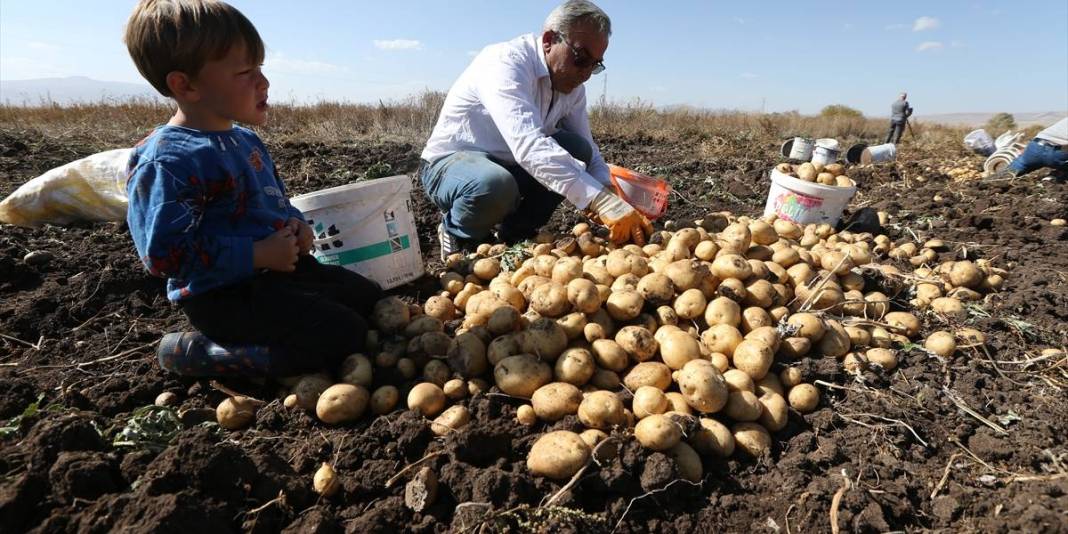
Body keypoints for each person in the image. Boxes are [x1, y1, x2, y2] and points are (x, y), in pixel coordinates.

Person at [123, 0, 382, 377]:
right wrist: (256, 254)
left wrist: (296, 226)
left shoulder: (245, 141)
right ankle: (201, 353)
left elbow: (275, 202)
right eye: (246, 72)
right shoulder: (169, 161)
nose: (264, 83)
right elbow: (165, 255)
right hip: (225, 296)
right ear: (186, 84)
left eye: (260, 68)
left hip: (279, 275)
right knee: (344, 336)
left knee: (369, 299)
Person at [420, 0, 651, 260]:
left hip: (510, 166)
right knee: (494, 185)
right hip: (452, 166)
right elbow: (529, 146)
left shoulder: (573, 86)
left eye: (594, 65)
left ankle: (514, 234)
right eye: (581, 59)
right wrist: (599, 202)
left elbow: (590, 152)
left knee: (579, 151)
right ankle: (459, 233)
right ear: (549, 40)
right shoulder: (505, 64)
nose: (586, 74)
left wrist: (609, 193)